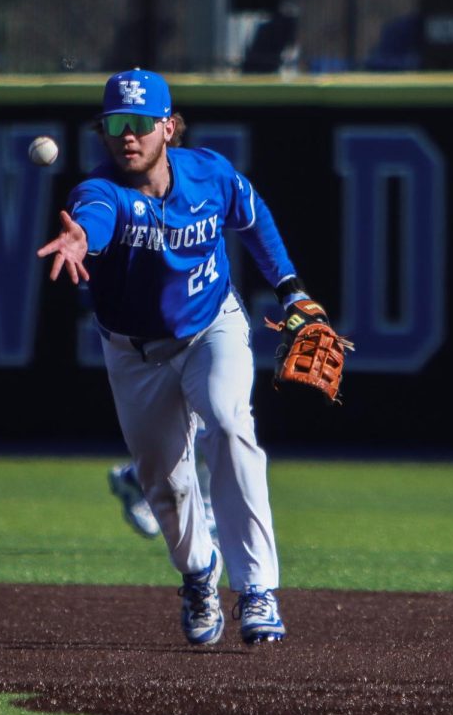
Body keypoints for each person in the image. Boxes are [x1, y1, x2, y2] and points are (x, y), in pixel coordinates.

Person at [38, 68, 317, 646]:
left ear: (169, 126)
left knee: (229, 425)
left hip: (212, 328)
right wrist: (78, 240)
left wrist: (289, 286)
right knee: (166, 485)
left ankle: (258, 590)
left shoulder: (209, 173)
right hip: (134, 354)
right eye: (116, 124)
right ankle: (198, 575)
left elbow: (252, 216)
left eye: (141, 124)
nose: (128, 137)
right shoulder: (100, 192)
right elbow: (94, 220)